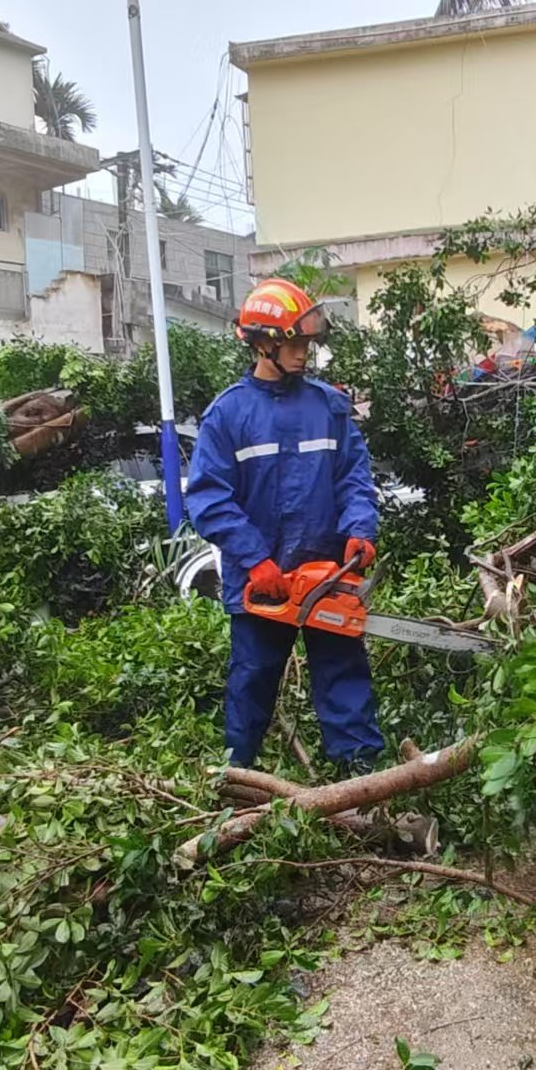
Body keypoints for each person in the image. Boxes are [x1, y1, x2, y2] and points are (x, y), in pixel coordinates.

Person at [186, 278, 385, 773]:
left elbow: (354, 477)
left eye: (306, 343)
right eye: (294, 343)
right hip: (265, 581)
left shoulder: (328, 406)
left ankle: (361, 782)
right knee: (252, 680)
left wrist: (360, 528)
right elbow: (209, 497)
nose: (303, 353)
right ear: (262, 342)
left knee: (344, 677)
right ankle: (238, 780)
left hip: (327, 574)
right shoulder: (228, 415)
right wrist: (254, 559)